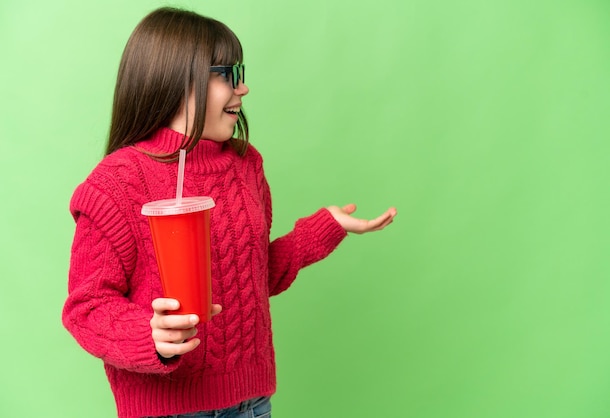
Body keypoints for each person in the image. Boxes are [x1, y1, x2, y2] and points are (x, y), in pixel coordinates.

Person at [62, 7, 396, 418]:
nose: (244, 88)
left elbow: (250, 279)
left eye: (241, 72)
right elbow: (87, 307)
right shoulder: (116, 183)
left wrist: (322, 229)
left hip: (251, 406)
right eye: (227, 74)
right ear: (175, 78)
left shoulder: (245, 166)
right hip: (167, 411)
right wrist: (148, 336)